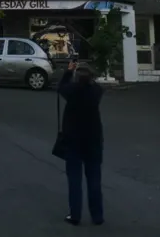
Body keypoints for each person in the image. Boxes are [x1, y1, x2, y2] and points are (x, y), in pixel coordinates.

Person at [58, 60, 104, 226]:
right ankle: (97, 216)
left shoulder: (71, 91)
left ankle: (75, 214)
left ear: (77, 77)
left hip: (73, 139)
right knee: (94, 179)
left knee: (74, 179)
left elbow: (61, 86)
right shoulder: (96, 92)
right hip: (93, 139)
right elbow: (96, 84)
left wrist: (69, 71)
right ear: (91, 78)